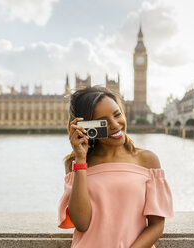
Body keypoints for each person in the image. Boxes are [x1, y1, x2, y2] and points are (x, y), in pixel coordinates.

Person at [58, 86, 174, 248]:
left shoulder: (147, 160)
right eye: (103, 122)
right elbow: (82, 223)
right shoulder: (77, 164)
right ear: (86, 127)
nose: (114, 125)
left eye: (117, 114)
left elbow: (156, 225)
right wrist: (81, 159)